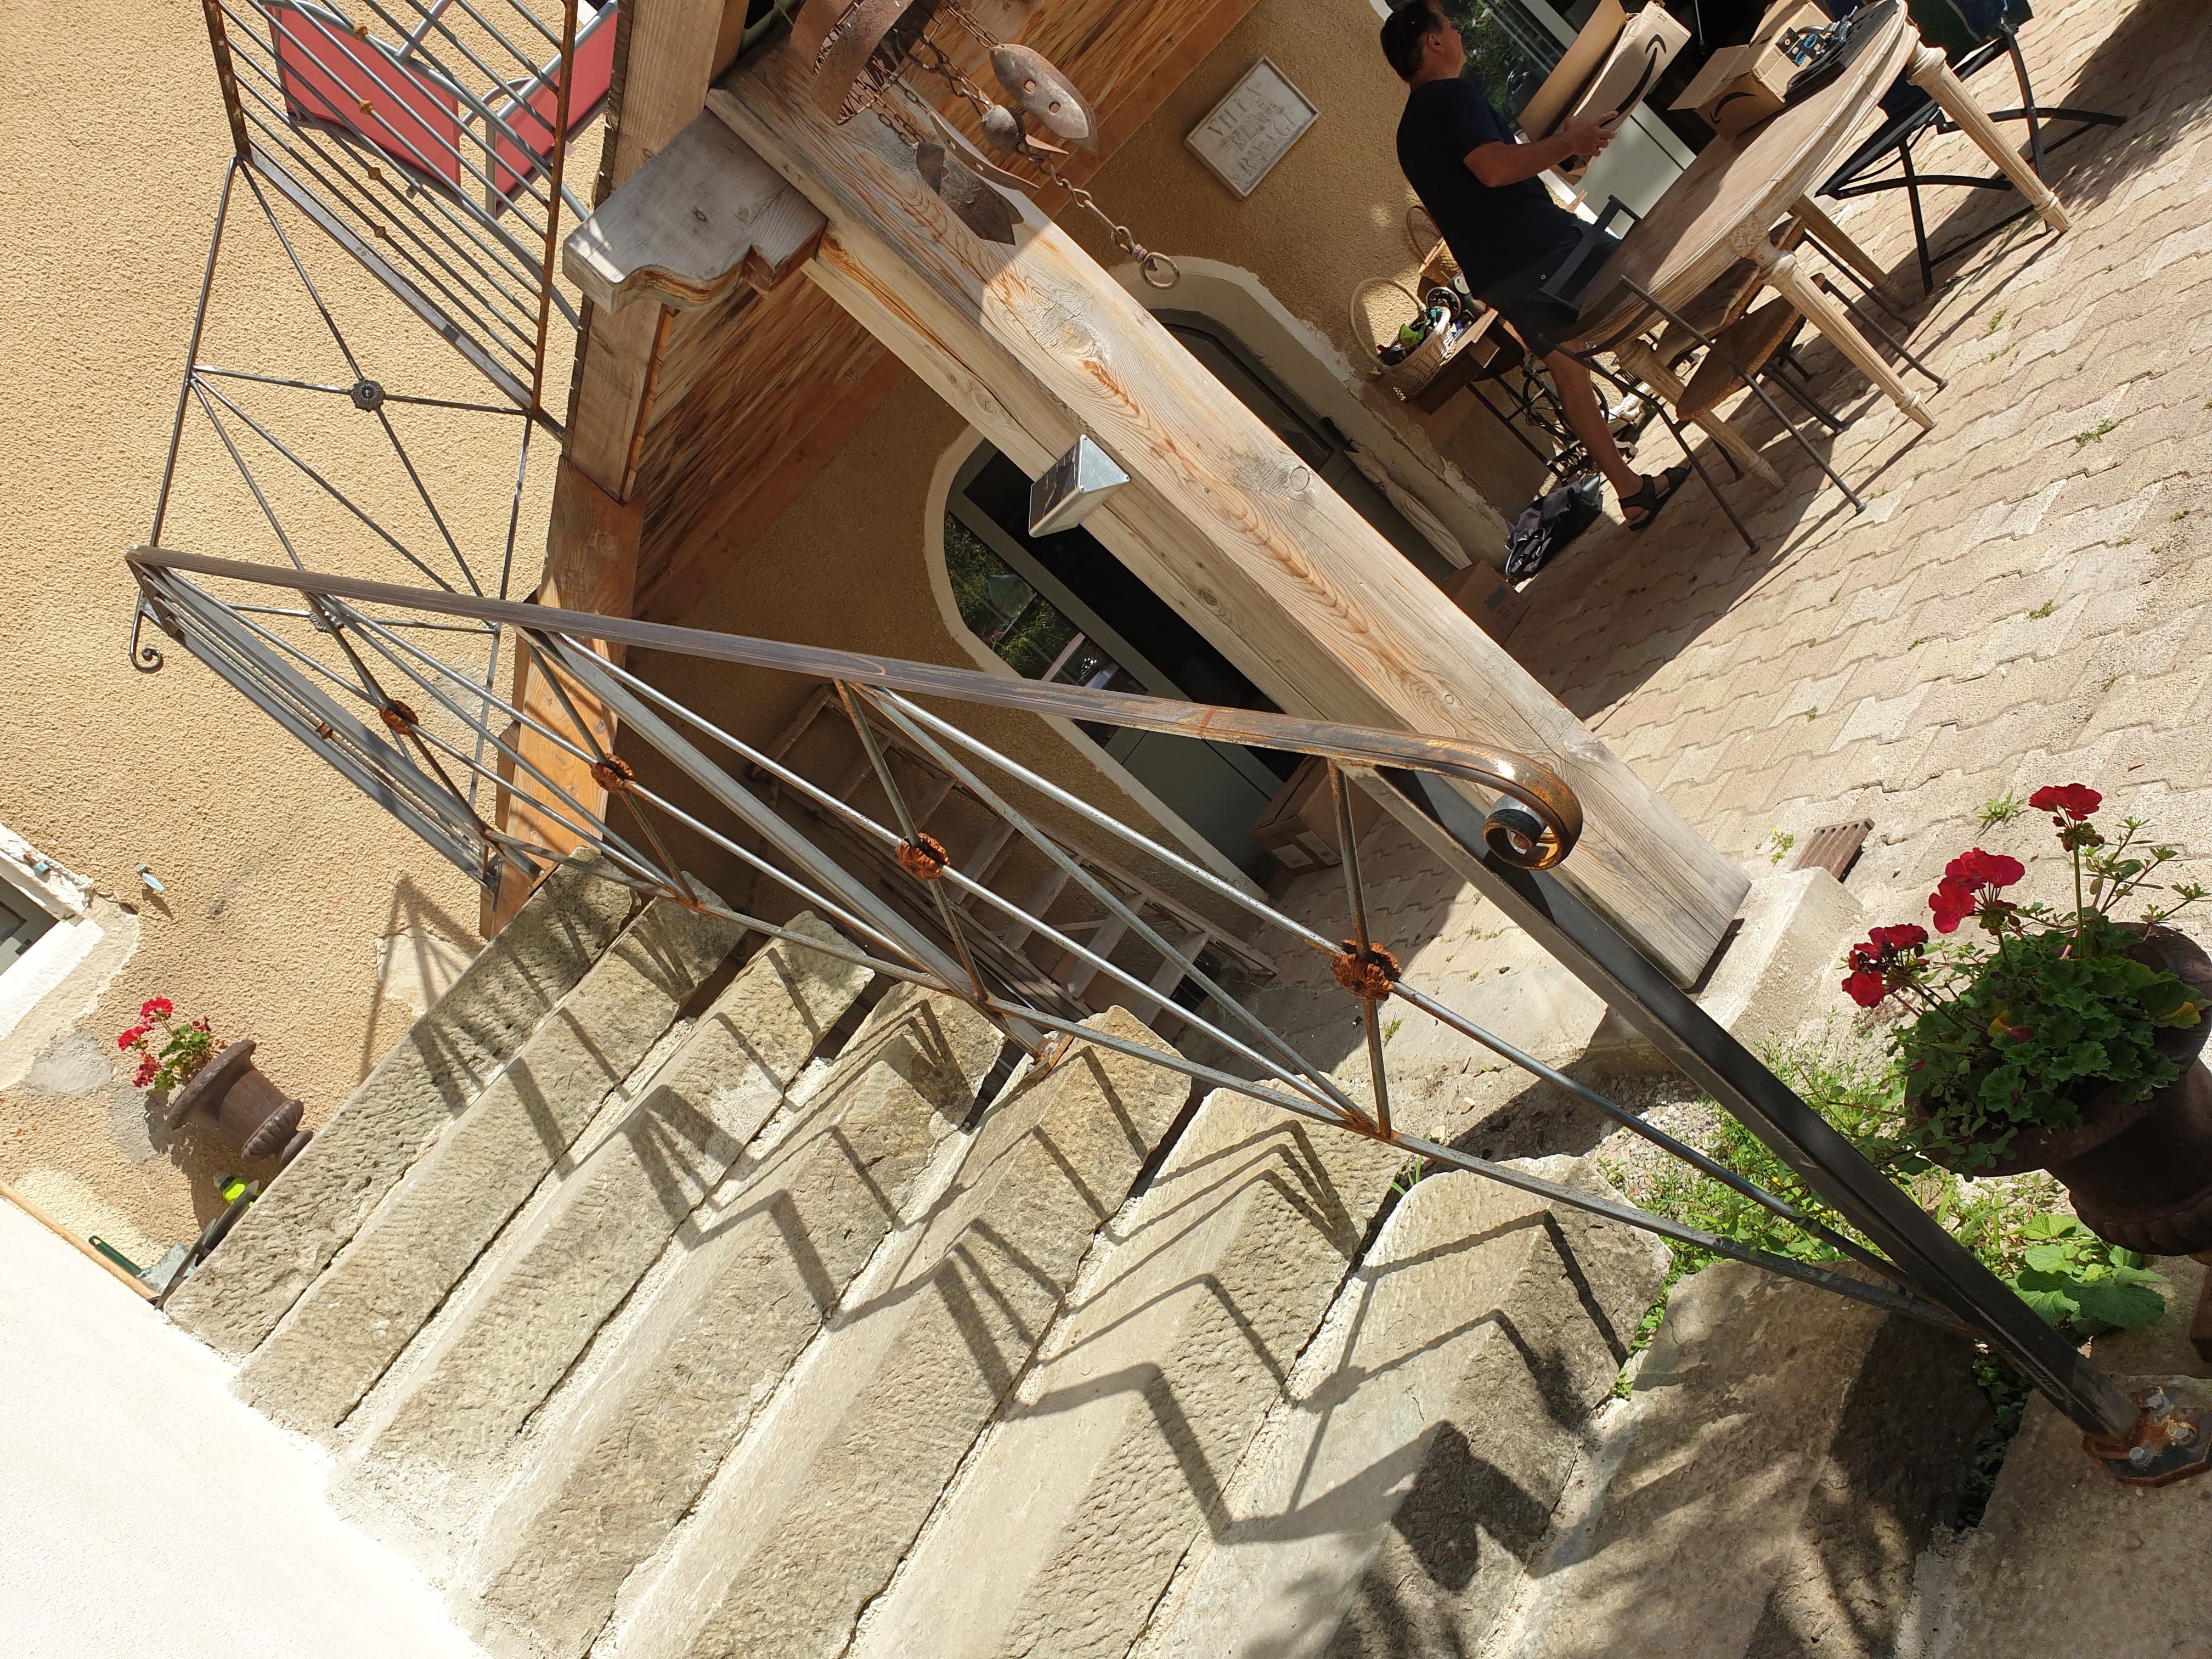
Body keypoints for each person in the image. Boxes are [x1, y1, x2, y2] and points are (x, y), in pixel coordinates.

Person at [1382, 2, 1689, 529]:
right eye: (1450, 27)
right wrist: (1568, 142)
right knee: (1661, 265)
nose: (1457, 33)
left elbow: (1477, 180)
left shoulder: (1408, 132)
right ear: (1433, 42)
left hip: (1501, 276)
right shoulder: (1452, 94)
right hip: (1544, 248)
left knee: (1569, 375)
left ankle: (1632, 492)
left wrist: (1558, 145)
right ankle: (1736, 350)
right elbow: (1495, 170)